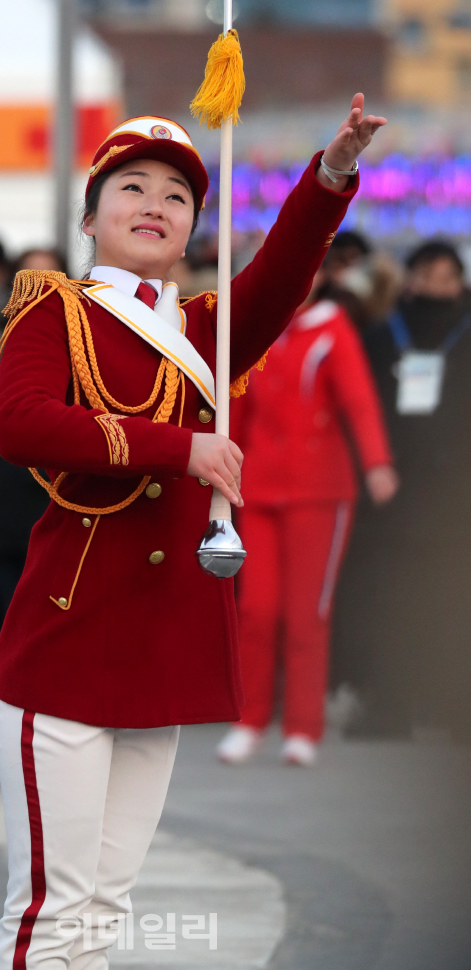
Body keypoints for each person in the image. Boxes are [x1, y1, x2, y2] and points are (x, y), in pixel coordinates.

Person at [0, 94, 385, 969]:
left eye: (177, 195)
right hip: (67, 638)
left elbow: (280, 277)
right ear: (91, 216)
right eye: (132, 186)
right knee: (50, 911)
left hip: (162, 643)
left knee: (106, 903)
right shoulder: (56, 311)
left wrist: (331, 176)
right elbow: (19, 425)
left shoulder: (208, 328)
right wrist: (182, 447)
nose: (155, 205)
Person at [216, 271, 397, 767]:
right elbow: (235, 407)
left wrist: (377, 462)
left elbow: (359, 401)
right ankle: (249, 720)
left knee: (306, 614)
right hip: (259, 486)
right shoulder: (258, 329)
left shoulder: (332, 329)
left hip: (320, 491)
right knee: (255, 610)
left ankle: (302, 727)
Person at [333, 239, 471, 738]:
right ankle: (388, 704)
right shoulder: (382, 334)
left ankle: (453, 708)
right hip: (389, 489)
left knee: (452, 601)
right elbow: (359, 406)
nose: (439, 283)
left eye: (448, 274)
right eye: (430, 273)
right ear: (411, 277)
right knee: (387, 600)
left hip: (455, 494)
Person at [0, 247, 67, 649]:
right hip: (5, 488)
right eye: (28, 277)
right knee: (8, 589)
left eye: (49, 276)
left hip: (58, 487)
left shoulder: (83, 339)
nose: (38, 287)